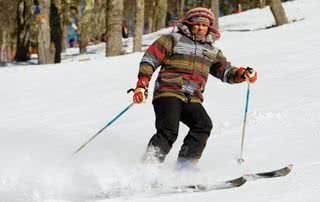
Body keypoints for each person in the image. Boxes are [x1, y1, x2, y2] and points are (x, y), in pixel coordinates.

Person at [132, 8, 257, 170]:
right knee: (168, 131)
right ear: (189, 24)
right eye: (196, 24)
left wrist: (241, 74)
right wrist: (142, 84)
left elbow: (225, 71)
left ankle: (185, 168)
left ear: (209, 28)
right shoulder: (172, 39)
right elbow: (150, 59)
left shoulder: (212, 51)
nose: (200, 28)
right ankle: (147, 168)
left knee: (203, 125)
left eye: (204, 25)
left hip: (192, 97)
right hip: (168, 91)